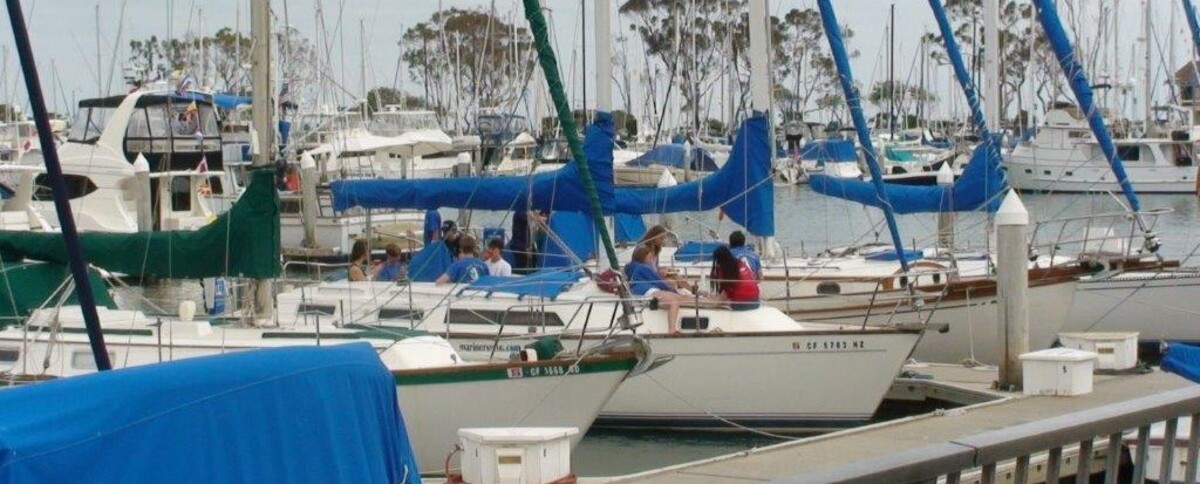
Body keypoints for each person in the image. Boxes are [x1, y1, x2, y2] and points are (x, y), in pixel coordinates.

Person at [626, 244, 691, 334]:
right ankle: (672, 330)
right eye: (650, 258)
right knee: (674, 301)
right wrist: (673, 291)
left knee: (681, 298)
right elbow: (658, 282)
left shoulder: (633, 267)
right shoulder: (643, 268)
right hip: (646, 291)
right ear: (643, 257)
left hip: (644, 290)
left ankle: (705, 301)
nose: (652, 260)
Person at [709, 246, 760, 310]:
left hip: (740, 305)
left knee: (718, 304)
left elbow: (724, 295)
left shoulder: (725, 270)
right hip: (755, 301)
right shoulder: (741, 263)